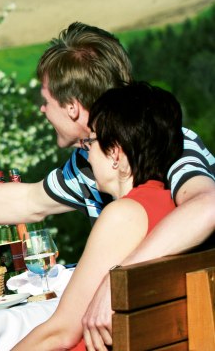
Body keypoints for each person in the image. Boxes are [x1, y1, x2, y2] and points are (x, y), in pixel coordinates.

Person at [0, 22, 215, 350]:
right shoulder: (90, 163)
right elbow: (27, 201)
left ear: (72, 108)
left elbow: (207, 205)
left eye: (46, 101)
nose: (43, 111)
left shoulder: (168, 144)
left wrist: (117, 280)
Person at [13, 82, 183, 349]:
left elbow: (61, 332)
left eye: (90, 141)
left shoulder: (123, 215)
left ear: (114, 153)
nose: (86, 152)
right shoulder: (174, 205)